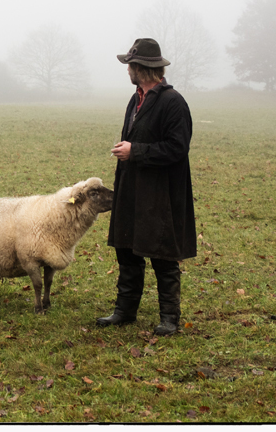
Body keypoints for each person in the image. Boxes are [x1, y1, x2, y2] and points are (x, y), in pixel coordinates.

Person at [97, 38, 196, 336]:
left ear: (140, 67)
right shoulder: (136, 98)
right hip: (132, 188)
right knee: (127, 252)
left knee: (163, 255)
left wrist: (135, 151)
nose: (127, 69)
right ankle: (124, 312)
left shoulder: (173, 102)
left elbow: (177, 148)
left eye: (129, 64)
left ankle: (170, 318)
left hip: (161, 194)